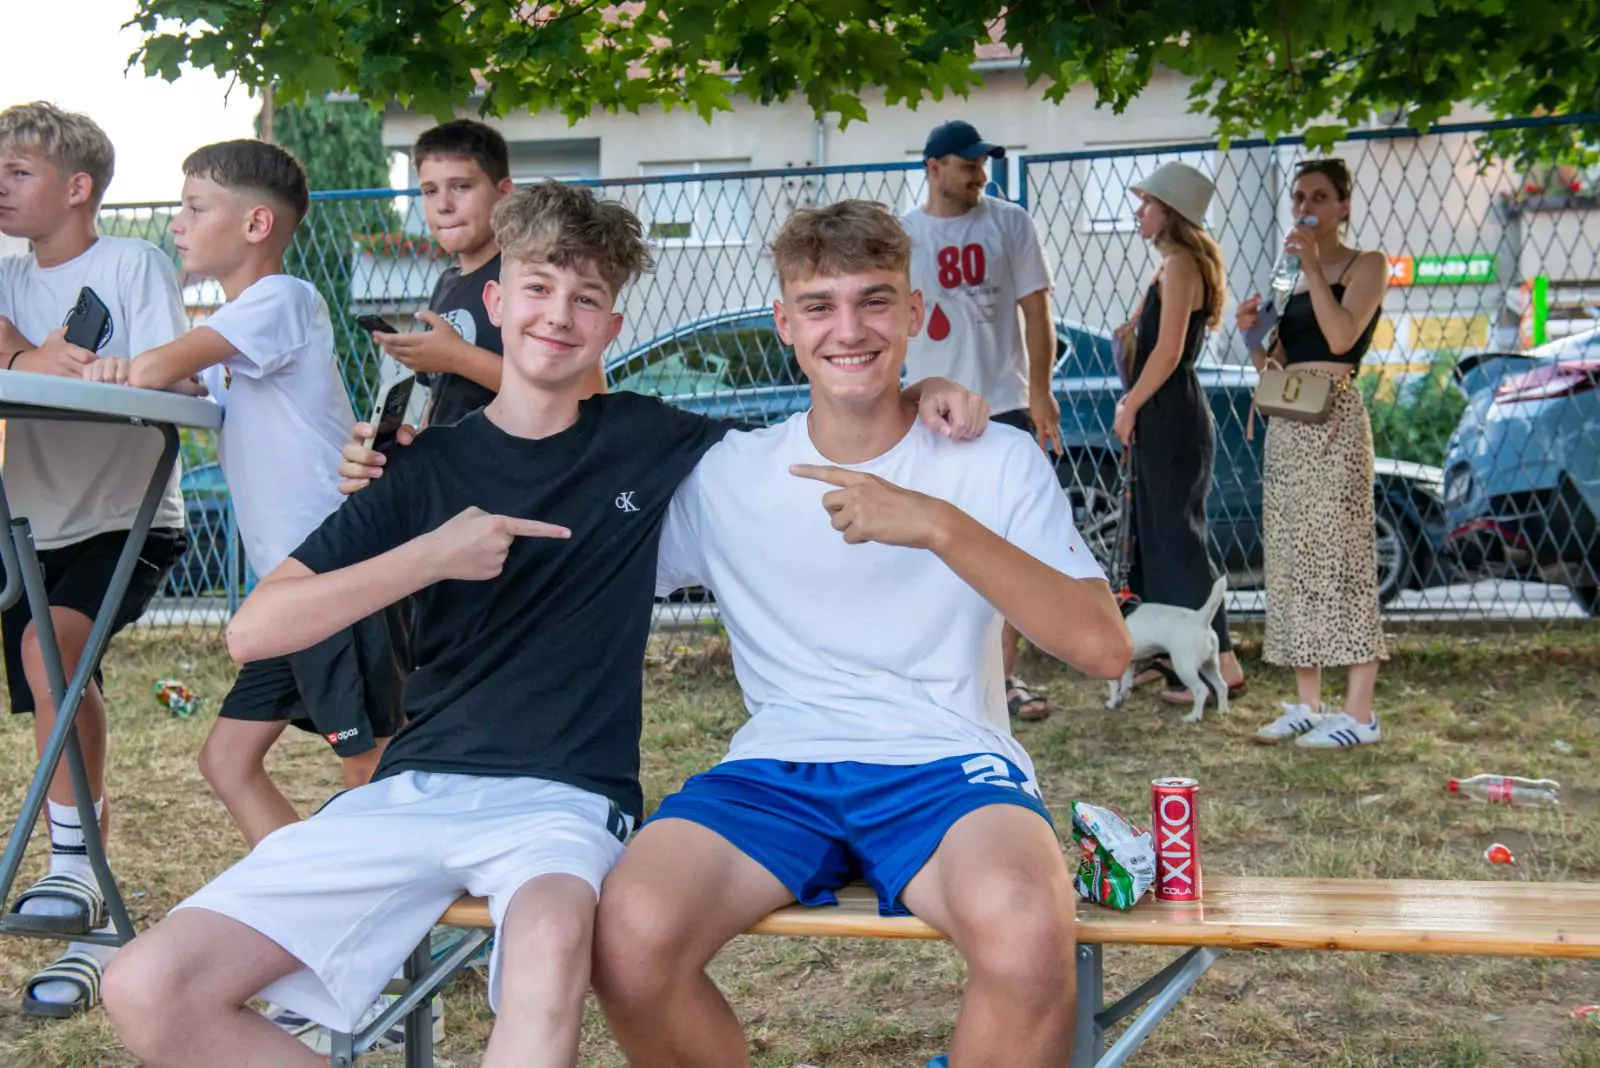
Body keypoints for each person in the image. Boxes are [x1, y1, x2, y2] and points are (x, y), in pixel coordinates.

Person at [102, 182, 985, 1068]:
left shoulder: (649, 439)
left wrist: (923, 388)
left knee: (556, 940)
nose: (558, 315)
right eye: (537, 288)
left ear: (611, 327)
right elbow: (254, 631)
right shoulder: (419, 467)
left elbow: (822, 428)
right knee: (148, 986)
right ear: (495, 302)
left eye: (586, 298)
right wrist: (429, 556)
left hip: (566, 801)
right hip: (411, 790)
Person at [591, 200, 1132, 1068]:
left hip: (947, 765)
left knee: (1030, 925)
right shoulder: (728, 474)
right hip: (779, 766)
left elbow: (1103, 649)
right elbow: (581, 567)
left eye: (875, 300)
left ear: (914, 312)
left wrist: (938, 525)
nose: (849, 329)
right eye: (820, 306)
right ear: (785, 323)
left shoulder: (993, 458)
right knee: (628, 932)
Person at [81, 140, 405, 846]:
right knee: (226, 760)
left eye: (195, 208)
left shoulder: (282, 299)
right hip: (288, 591)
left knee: (368, 762)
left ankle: (394, 901)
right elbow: (178, 378)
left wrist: (135, 365)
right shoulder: (239, 330)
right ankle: (308, 887)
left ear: (257, 224)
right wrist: (127, 368)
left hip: (332, 573)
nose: (177, 223)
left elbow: (159, 368)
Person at [0, 101, 189, 1017]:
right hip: (28, 521)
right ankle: (92, 927)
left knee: (54, 658)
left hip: (126, 512)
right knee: (60, 686)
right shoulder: (3, 275)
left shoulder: (130, 264)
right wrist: (26, 358)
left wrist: (115, 370)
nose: (0, 187)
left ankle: (73, 866)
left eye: (17, 172)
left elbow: (174, 373)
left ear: (78, 188)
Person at [901, 119, 1062, 721]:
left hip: (1003, 404)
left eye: (983, 164)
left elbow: (1037, 313)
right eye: (968, 164)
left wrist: (1041, 392)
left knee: (1009, 546)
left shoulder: (1010, 223)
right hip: (929, 411)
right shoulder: (904, 236)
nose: (980, 175)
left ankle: (1003, 678)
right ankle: (936, 676)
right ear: (934, 167)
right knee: (931, 547)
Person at [1237, 158, 1389, 748]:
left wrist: (1313, 271)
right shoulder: (1291, 275)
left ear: (1343, 206)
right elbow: (1273, 369)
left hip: (1336, 421)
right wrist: (1252, 335)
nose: (1307, 206)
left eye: (1320, 196)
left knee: (1344, 557)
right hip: (1290, 422)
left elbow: (1343, 335)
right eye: (1300, 196)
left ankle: (1360, 714)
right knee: (1294, 558)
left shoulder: (1364, 264)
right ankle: (1308, 704)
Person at [369, 119, 605, 428]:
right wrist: (421, 442)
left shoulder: (536, 278)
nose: (443, 205)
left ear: (504, 192)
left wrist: (457, 357)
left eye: (461, 186)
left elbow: (584, 393)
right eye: (430, 191)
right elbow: (441, 399)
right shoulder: (446, 283)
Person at [1114, 161, 1246, 705]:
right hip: (1164, 410)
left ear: (1170, 211)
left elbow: (1167, 352)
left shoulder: (1181, 266)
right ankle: (1166, 655)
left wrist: (1130, 405)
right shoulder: (1171, 266)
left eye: (1147, 202)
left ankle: (1225, 664)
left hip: (1170, 413)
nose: (1139, 211)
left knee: (1179, 538)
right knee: (1156, 536)